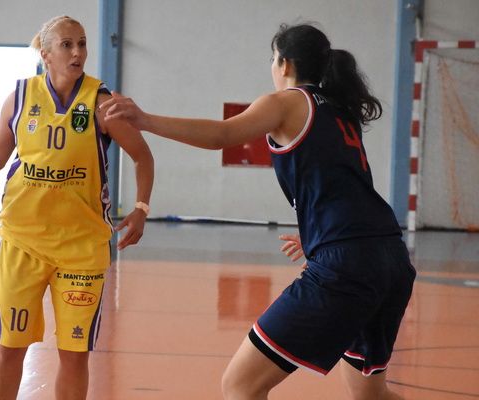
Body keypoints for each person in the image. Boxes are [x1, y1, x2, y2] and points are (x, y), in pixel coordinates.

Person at [103, 23, 415, 400]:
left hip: (346, 264)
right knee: (371, 396)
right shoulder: (339, 109)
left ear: (285, 64)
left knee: (240, 385)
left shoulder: (285, 102)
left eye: (273, 58)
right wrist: (317, 232)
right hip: (390, 256)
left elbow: (222, 135)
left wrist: (146, 120)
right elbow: (344, 186)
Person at [0, 15, 154, 400]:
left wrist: (141, 207)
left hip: (81, 247)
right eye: (67, 45)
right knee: (9, 347)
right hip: (22, 242)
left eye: (82, 43)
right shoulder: (19, 97)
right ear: (45, 54)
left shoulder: (101, 103)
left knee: (74, 356)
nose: (77, 52)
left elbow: (142, 156)